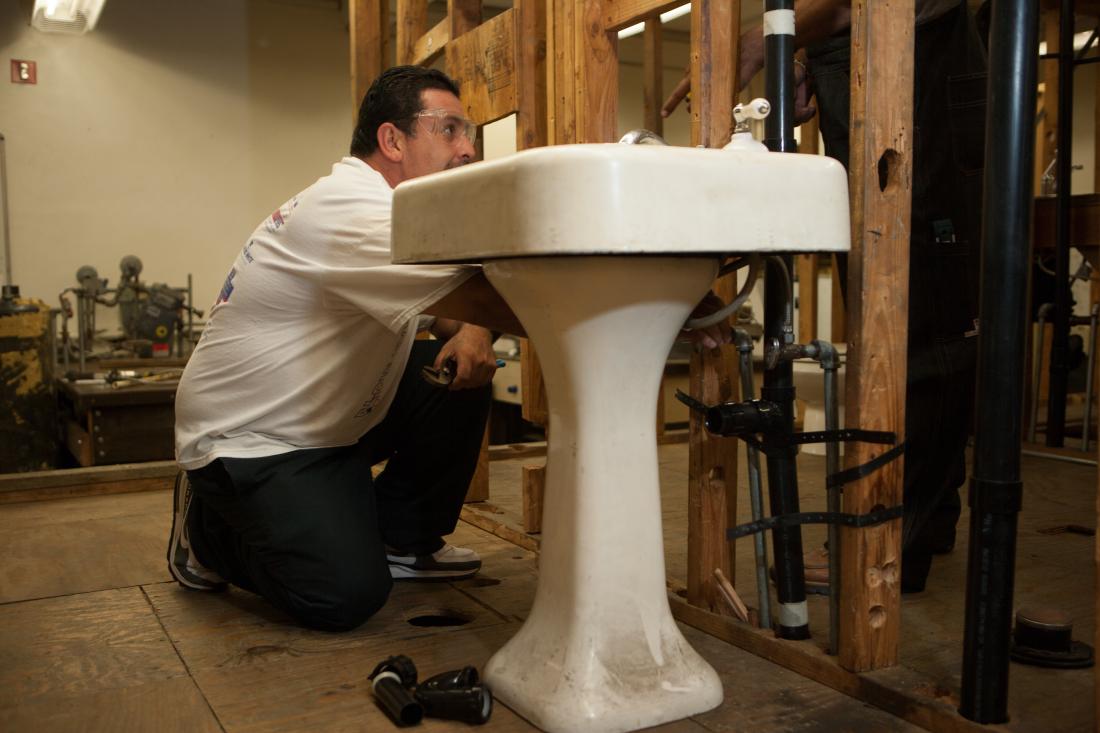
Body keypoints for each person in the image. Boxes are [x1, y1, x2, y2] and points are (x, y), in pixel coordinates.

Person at [170, 65, 731, 632]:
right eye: (450, 131)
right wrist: (664, 299)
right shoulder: (353, 211)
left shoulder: (405, 216)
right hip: (253, 439)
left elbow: (452, 302)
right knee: (343, 596)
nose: (468, 150)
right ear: (392, 140)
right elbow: (504, 303)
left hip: (326, 415)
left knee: (456, 369)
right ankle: (206, 536)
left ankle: (404, 539)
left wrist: (468, 330)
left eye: (470, 135)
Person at [663, 0, 988, 593]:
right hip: (862, 50)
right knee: (882, 290)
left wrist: (762, 42)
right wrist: (805, 50)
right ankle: (929, 516)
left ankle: (888, 538)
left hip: (913, 51)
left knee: (912, 306)